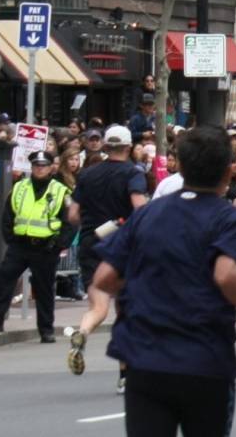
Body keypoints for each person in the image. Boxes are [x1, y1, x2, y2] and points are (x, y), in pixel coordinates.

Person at [92, 126, 236, 436]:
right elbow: (227, 275)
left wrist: (147, 284)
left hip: (144, 357)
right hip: (203, 358)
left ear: (181, 167)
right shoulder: (228, 219)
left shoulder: (147, 214)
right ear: (229, 170)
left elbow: (105, 278)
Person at [64, 124, 148, 389]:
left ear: (106, 146)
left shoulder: (87, 175)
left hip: (92, 243)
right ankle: (125, 376)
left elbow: (73, 215)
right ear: (127, 147)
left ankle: (82, 332)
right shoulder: (134, 174)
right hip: (121, 245)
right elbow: (139, 208)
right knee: (124, 311)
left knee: (98, 306)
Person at [0, 150, 70, 340]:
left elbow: (69, 222)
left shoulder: (61, 191)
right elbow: (8, 215)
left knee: (44, 290)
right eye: (36, 166)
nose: (39, 169)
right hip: (21, 245)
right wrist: (11, 239)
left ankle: (46, 330)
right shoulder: (20, 187)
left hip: (46, 247)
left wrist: (58, 245)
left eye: (43, 166)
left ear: (51, 168)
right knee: (3, 280)